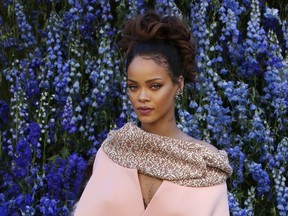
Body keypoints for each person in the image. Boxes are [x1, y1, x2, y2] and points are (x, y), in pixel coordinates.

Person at [72, 10, 233, 216]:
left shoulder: (204, 165)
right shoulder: (112, 152)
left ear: (178, 84)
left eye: (155, 86)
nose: (142, 97)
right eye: (133, 87)